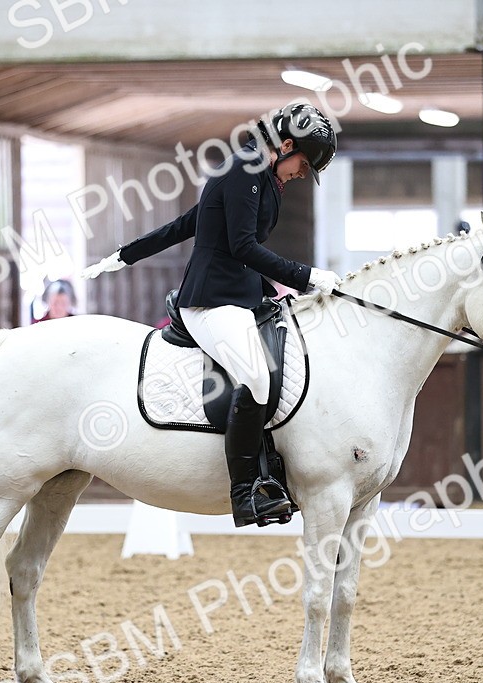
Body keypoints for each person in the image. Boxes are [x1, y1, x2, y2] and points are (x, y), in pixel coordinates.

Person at [82, 102, 342, 526]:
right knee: (256, 376)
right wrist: (305, 275)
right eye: (302, 165)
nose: (300, 175)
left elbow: (187, 223)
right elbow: (242, 247)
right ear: (287, 145)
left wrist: (127, 254)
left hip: (242, 297)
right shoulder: (243, 170)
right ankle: (245, 490)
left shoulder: (264, 178)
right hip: (210, 301)